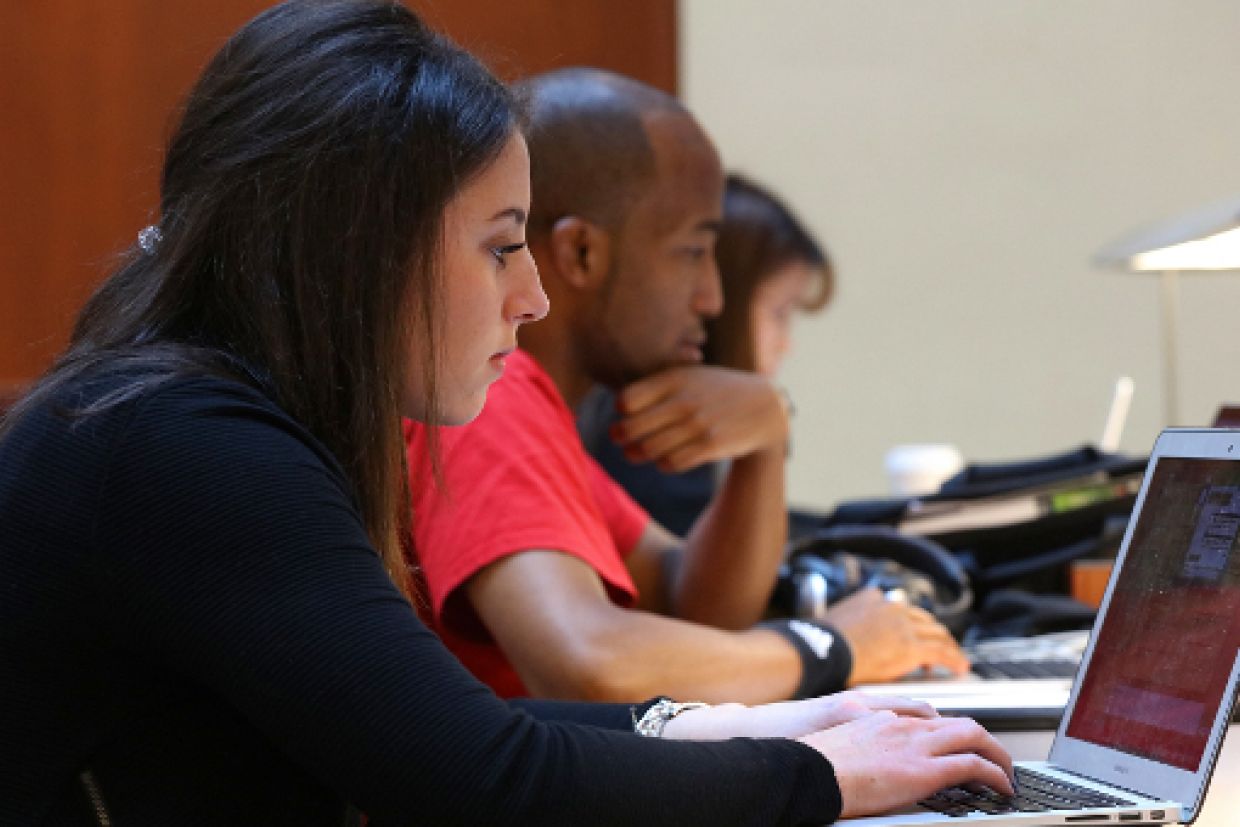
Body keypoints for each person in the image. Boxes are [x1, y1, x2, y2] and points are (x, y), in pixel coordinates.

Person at [0, 1, 1013, 823]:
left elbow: (448, 730)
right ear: (358, 251)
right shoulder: (186, 448)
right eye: (498, 245)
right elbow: (483, 777)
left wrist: (798, 724)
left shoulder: (179, 415)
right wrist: (827, 773)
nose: (529, 295)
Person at [405, 68, 968, 707]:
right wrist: (827, 645)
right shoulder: (493, 399)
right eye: (692, 252)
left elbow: (692, 609)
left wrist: (764, 444)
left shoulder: (531, 409)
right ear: (583, 253)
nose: (712, 297)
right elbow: (589, 663)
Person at [580, 172, 833, 536]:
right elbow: (703, 578)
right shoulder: (663, 429)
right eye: (779, 313)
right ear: (726, 302)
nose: (786, 343)